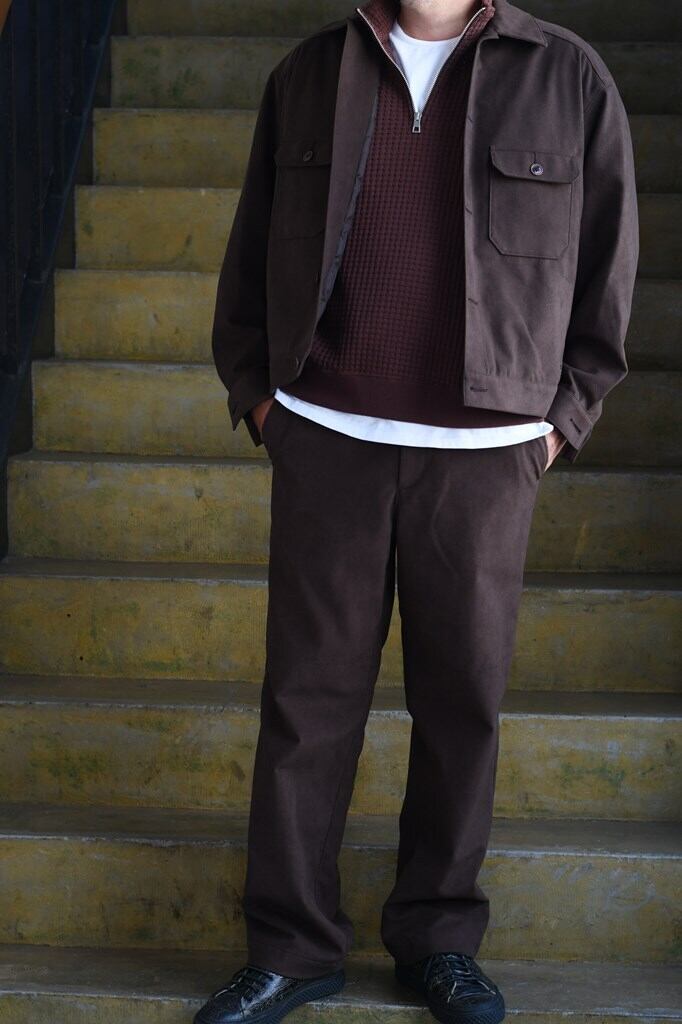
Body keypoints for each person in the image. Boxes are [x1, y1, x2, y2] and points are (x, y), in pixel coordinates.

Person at [196, 0, 638, 1020]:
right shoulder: (309, 72)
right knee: (306, 705)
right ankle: (291, 946)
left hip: (486, 455)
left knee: (461, 705)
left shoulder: (567, 77)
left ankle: (438, 937)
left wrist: (559, 422)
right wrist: (264, 401)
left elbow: (608, 264)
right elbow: (251, 249)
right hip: (327, 438)